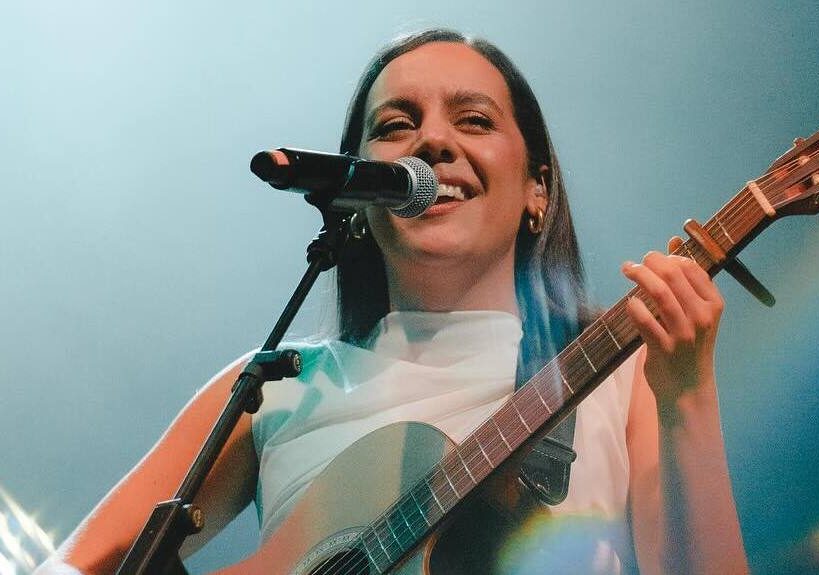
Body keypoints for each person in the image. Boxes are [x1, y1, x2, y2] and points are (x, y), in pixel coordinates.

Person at [37, 29, 749, 574]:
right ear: (359, 192)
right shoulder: (278, 385)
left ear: (537, 188)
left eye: (473, 120)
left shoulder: (620, 370)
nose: (433, 140)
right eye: (396, 125)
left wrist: (685, 395)